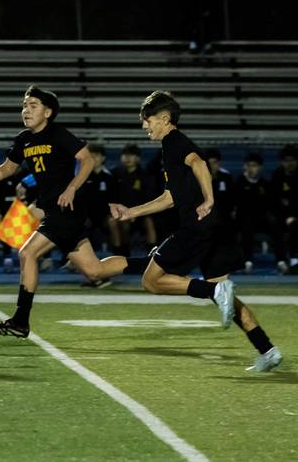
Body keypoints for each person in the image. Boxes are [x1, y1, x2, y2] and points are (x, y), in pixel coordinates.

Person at [109, 91, 281, 372]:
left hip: (198, 227)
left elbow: (199, 164)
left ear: (164, 119)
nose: (144, 126)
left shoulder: (174, 140)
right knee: (228, 299)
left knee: (151, 281)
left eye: (147, 120)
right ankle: (267, 349)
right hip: (215, 228)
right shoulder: (171, 146)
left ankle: (213, 290)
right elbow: (170, 197)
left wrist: (209, 199)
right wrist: (132, 212)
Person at [0, 85, 129, 338]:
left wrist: (72, 188)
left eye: (33, 105)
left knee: (27, 253)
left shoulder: (58, 133)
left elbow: (87, 160)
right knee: (94, 270)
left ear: (48, 112)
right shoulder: (24, 139)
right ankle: (154, 262)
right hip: (55, 211)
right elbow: (7, 169)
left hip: (65, 209)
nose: (26, 110)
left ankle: (21, 320)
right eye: (24, 105)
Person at [76, 143, 120, 287]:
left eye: (96, 155)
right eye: (90, 156)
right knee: (74, 231)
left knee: (113, 222)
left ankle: (119, 259)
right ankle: (91, 273)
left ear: (103, 158)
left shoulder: (109, 177)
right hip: (85, 218)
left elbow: (115, 201)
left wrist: (110, 215)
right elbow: (78, 200)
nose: (93, 158)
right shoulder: (81, 176)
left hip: (105, 217)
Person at [112, 144, 157, 256]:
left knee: (149, 222)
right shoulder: (114, 174)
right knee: (122, 222)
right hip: (121, 212)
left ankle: (152, 253)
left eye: (131, 155)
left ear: (138, 158)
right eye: (125, 155)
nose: (128, 158)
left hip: (141, 212)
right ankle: (124, 252)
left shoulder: (145, 175)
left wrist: (135, 212)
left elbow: (148, 198)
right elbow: (112, 197)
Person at [235, 152, 271, 273]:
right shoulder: (239, 182)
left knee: (275, 225)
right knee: (247, 225)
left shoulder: (265, 184)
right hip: (243, 219)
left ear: (260, 167)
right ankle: (247, 261)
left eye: (254, 165)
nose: (251, 168)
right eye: (249, 165)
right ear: (245, 166)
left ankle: (282, 261)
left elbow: (267, 205)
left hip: (261, 219)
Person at [271, 144, 298, 273]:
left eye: (292, 160)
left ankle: (294, 261)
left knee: (295, 226)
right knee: (275, 225)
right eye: (286, 160)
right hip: (281, 216)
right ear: (282, 162)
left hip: (296, 216)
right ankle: (281, 261)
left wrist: (293, 216)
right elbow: (274, 201)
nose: (289, 163)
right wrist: (284, 217)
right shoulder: (277, 175)